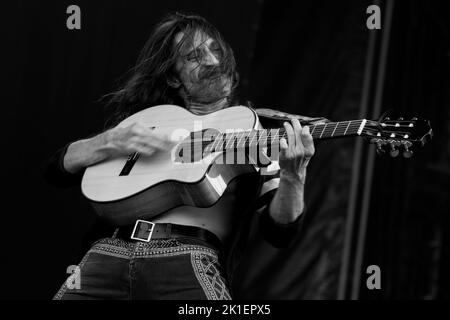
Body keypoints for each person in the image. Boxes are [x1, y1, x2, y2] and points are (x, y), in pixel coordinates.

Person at [45, 12, 315, 300]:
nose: (212, 61)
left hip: (188, 259)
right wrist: (109, 140)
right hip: (107, 253)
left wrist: (293, 176)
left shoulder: (255, 132)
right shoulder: (154, 120)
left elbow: (279, 232)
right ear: (173, 78)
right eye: (194, 56)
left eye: (216, 50)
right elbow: (56, 171)